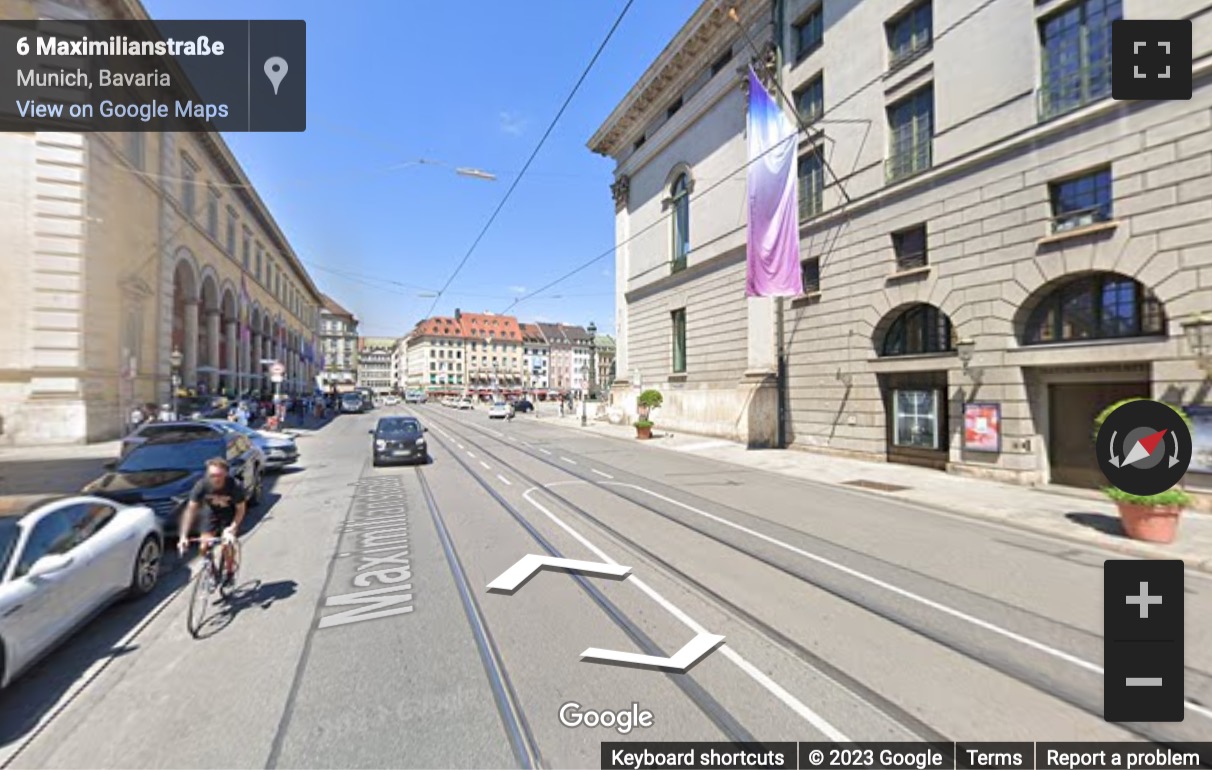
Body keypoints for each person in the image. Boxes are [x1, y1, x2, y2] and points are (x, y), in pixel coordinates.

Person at [178, 457, 246, 587]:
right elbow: (190, 511)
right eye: (212, 475)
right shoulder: (202, 485)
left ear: (226, 473)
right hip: (211, 513)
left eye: (219, 475)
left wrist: (233, 527)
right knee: (203, 546)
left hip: (229, 514)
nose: (216, 478)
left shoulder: (234, 486)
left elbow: (241, 509)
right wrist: (183, 536)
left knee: (227, 544)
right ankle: (212, 572)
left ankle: (230, 571)